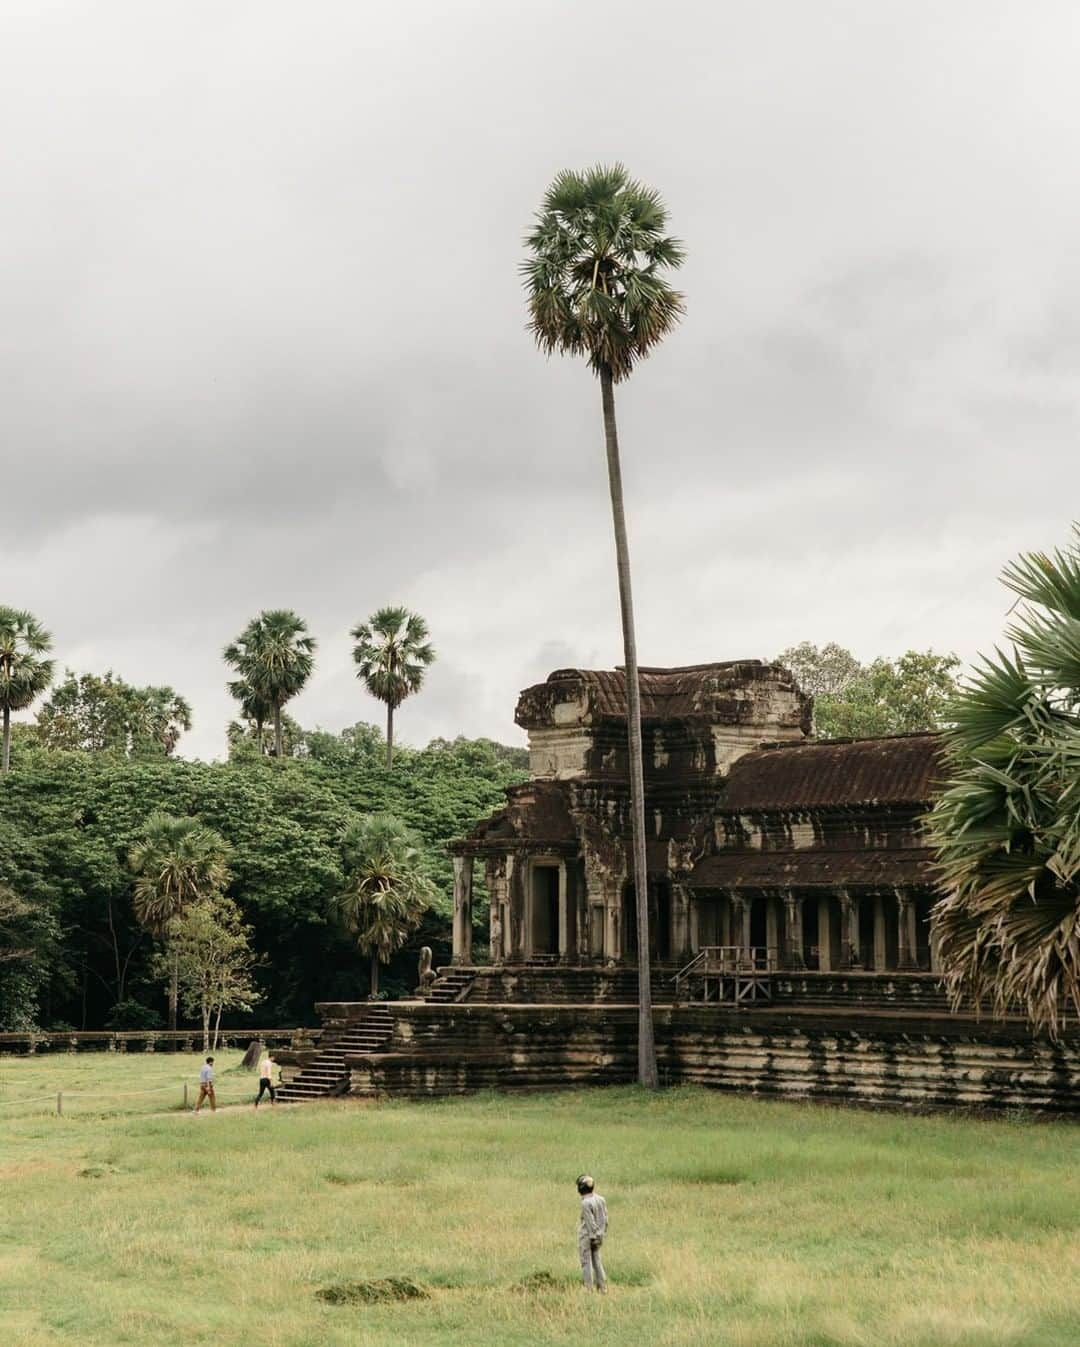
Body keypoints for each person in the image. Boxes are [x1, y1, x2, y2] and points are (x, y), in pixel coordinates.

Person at [576, 1174, 608, 1292]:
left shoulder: (585, 1203)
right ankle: (603, 1287)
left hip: (587, 1236)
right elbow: (605, 1218)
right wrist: (600, 1234)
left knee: (586, 1262)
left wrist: (593, 1236)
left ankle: (588, 1288)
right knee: (597, 1261)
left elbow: (590, 1222)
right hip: (600, 1235)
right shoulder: (601, 1199)